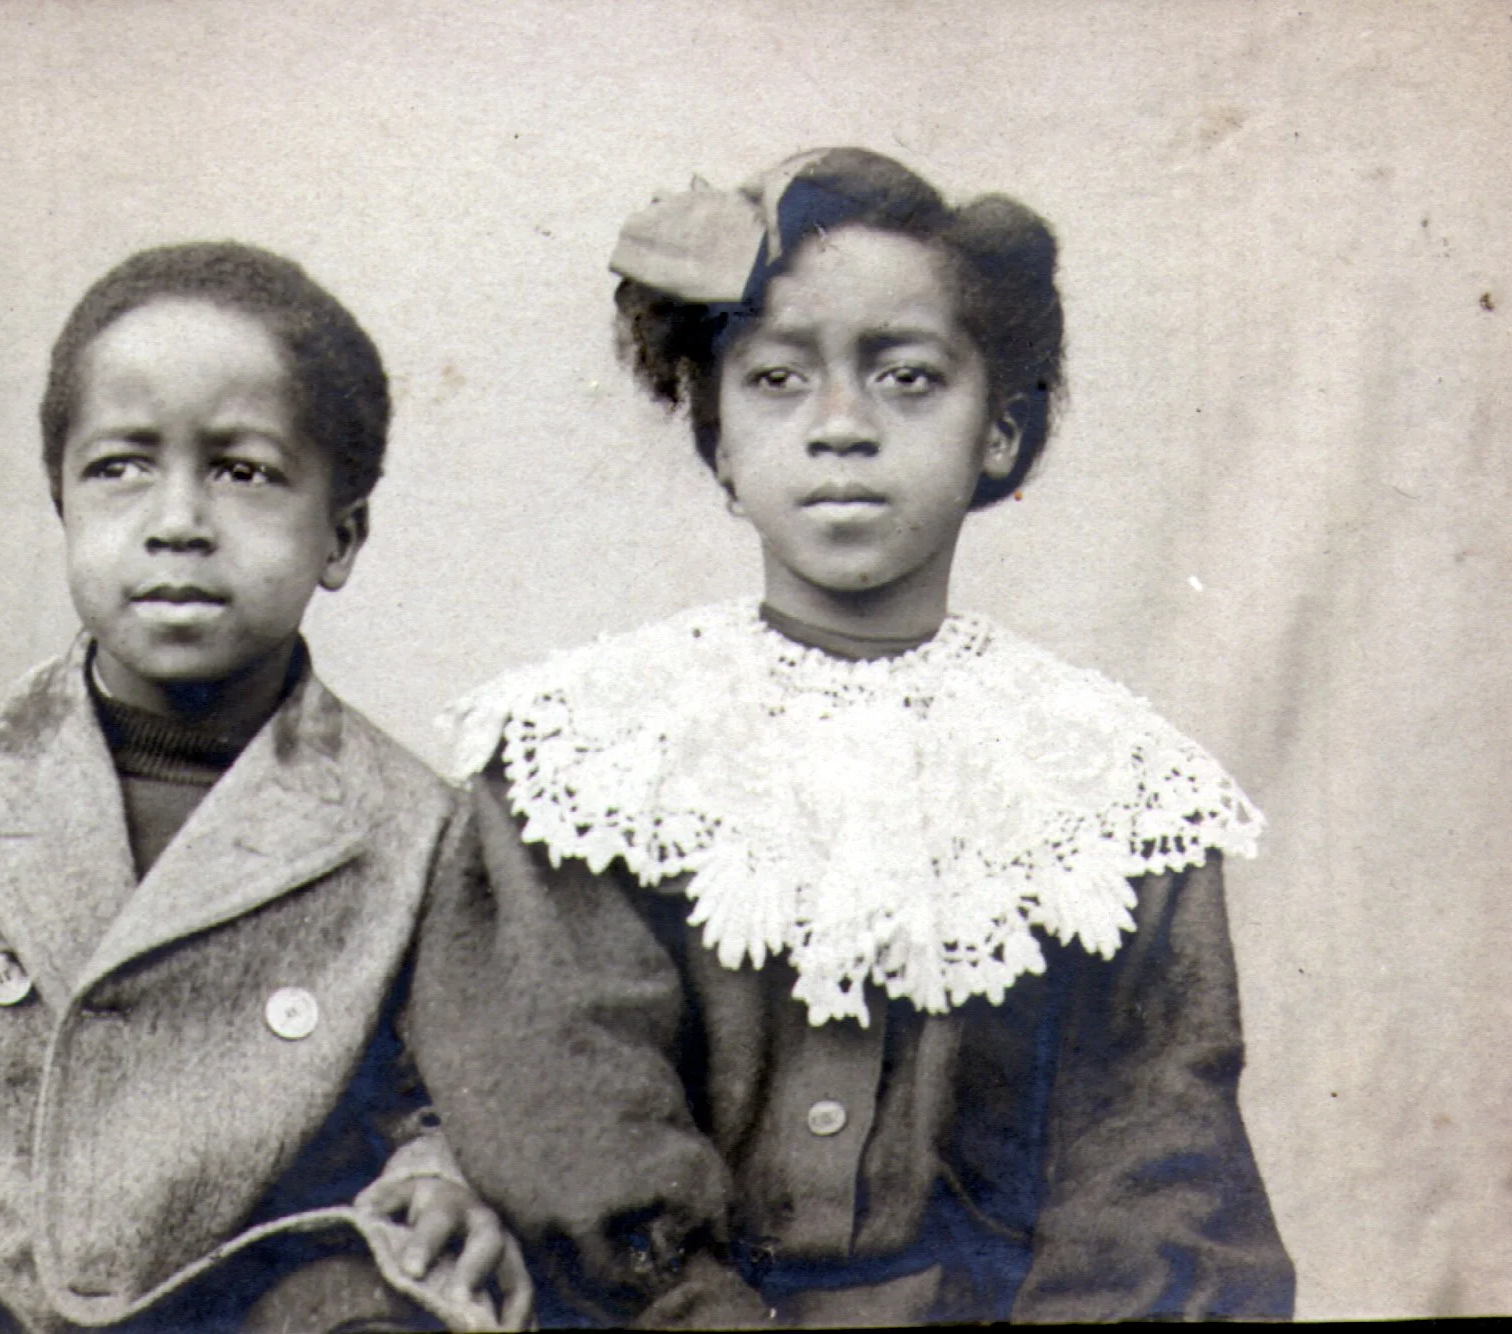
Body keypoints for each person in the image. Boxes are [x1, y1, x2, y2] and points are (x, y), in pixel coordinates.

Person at [410, 149, 1295, 1326]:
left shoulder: (1109, 784)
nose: (840, 426)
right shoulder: (593, 754)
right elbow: (560, 1099)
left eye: (907, 378)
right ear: (720, 438)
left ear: (998, 429)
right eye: (777, 379)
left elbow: (1153, 1157)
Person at [0, 243, 531, 1334]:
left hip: (237, 1297)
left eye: (243, 471)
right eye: (121, 467)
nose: (177, 521)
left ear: (341, 533)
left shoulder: (420, 833)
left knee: (384, 1298)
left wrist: (436, 1175)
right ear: (63, 504)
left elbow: (440, 1098)